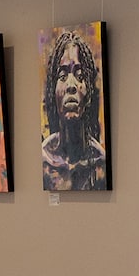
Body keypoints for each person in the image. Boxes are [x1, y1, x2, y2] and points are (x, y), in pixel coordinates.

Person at [39, 25, 108, 191]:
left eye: (80, 76)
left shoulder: (100, 162)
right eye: (62, 76)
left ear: (89, 91)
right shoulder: (44, 158)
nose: (71, 85)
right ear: (53, 92)